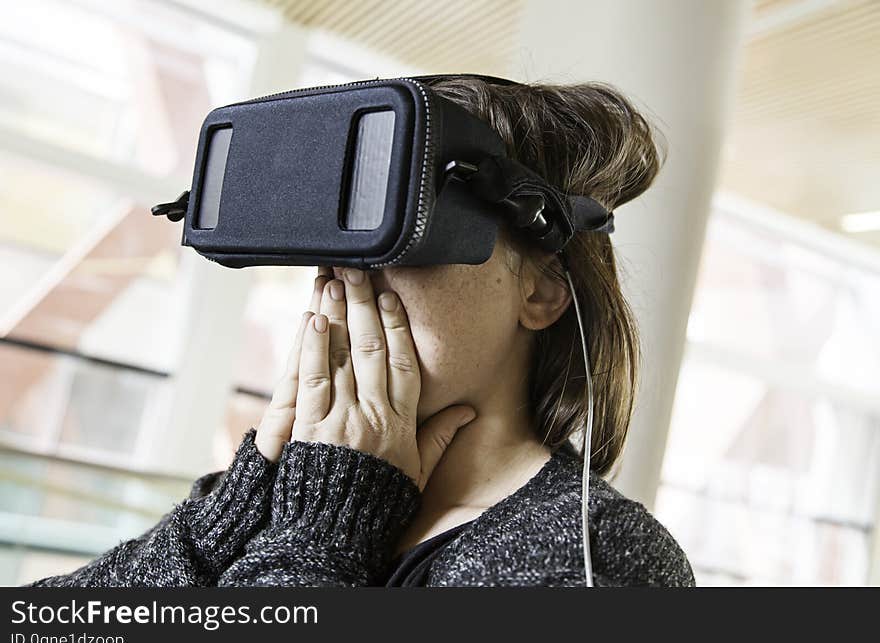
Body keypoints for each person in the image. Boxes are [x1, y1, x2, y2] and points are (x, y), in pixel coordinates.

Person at [28, 76, 695, 587]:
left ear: (544, 290)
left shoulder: (597, 560)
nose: (342, 281)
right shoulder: (313, 496)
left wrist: (319, 538)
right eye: (339, 244)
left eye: (400, 239)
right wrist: (231, 517)